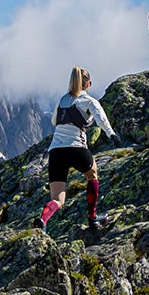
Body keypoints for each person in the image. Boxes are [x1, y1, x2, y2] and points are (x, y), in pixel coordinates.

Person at [42, 66, 115, 232]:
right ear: (88, 84)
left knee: (58, 198)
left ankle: (43, 219)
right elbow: (101, 119)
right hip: (76, 147)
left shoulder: (62, 100)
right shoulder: (89, 101)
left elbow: (54, 121)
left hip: (56, 151)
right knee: (92, 174)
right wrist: (111, 134)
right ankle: (92, 218)